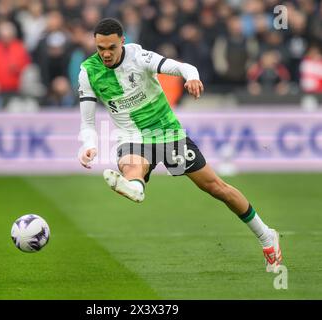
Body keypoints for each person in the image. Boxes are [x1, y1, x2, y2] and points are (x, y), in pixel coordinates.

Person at [78, 18, 282, 273]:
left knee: (217, 188)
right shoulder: (88, 71)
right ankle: (134, 185)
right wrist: (87, 144)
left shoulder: (140, 57)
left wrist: (193, 78)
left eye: (111, 47)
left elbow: (183, 67)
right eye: (100, 48)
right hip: (132, 136)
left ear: (123, 42)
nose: (106, 53)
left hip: (167, 133)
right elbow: (87, 121)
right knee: (130, 164)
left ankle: (266, 236)